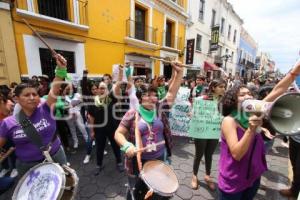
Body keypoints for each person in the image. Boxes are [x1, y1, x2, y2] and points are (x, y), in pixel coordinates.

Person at [217, 61, 300, 200]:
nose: (248, 96)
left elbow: (278, 90)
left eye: (249, 93)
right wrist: (251, 129)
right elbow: (237, 154)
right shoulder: (229, 121)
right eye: (242, 95)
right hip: (233, 181)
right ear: (233, 100)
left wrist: (294, 72)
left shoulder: (254, 111)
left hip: (253, 177)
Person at [114, 61, 183, 199]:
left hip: (159, 157)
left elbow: (172, 92)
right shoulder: (132, 113)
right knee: (136, 189)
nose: (153, 98)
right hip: (138, 161)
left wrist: (179, 72)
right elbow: (118, 133)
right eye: (148, 95)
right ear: (140, 98)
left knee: (156, 187)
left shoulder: (159, 108)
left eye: (155, 94)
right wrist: (127, 145)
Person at [0, 54, 68, 176]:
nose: (32, 98)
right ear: (16, 98)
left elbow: (56, 85)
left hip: (56, 157)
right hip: (29, 167)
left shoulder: (46, 107)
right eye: (26, 95)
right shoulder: (8, 123)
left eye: (34, 94)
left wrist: (61, 69)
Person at [191, 79, 227, 190]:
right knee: (199, 154)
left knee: (209, 155)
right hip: (201, 131)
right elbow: (194, 112)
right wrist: (192, 113)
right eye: (220, 86)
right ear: (213, 88)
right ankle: (194, 175)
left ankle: (207, 176)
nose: (223, 89)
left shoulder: (224, 101)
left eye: (224, 87)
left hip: (214, 131)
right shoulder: (202, 99)